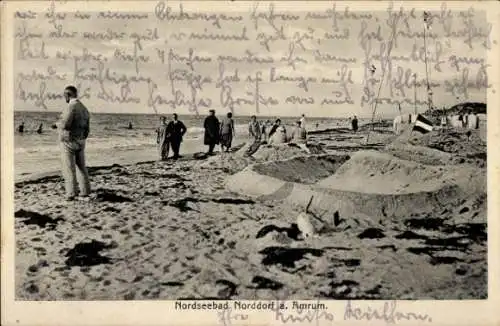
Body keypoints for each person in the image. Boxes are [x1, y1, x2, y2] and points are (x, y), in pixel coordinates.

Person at [59, 85, 91, 201]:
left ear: (68, 95)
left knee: (69, 168)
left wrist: (57, 124)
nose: (64, 98)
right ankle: (85, 191)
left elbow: (66, 124)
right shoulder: (84, 108)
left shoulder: (71, 106)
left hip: (69, 141)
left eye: (65, 96)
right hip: (81, 141)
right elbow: (87, 129)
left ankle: (71, 193)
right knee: (82, 167)